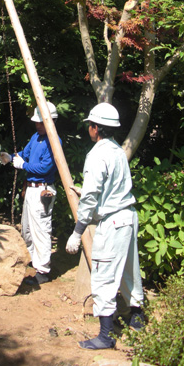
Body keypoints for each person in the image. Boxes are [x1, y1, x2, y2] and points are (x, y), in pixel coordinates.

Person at [66, 102, 145, 350]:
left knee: (103, 274)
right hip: (128, 215)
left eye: (90, 125)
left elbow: (90, 197)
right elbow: (114, 187)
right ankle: (137, 319)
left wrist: (77, 232)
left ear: (96, 128)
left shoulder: (97, 154)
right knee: (130, 269)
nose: (89, 129)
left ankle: (105, 336)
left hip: (112, 222)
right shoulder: (118, 151)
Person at [0, 102, 61, 285]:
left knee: (41, 229)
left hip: (43, 189)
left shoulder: (54, 141)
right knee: (27, 228)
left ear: (50, 121)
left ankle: (43, 271)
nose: (37, 125)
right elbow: (25, 153)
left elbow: (45, 167)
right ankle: (34, 261)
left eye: (41, 122)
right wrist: (11, 157)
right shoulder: (36, 137)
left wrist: (23, 165)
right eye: (37, 122)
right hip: (31, 189)